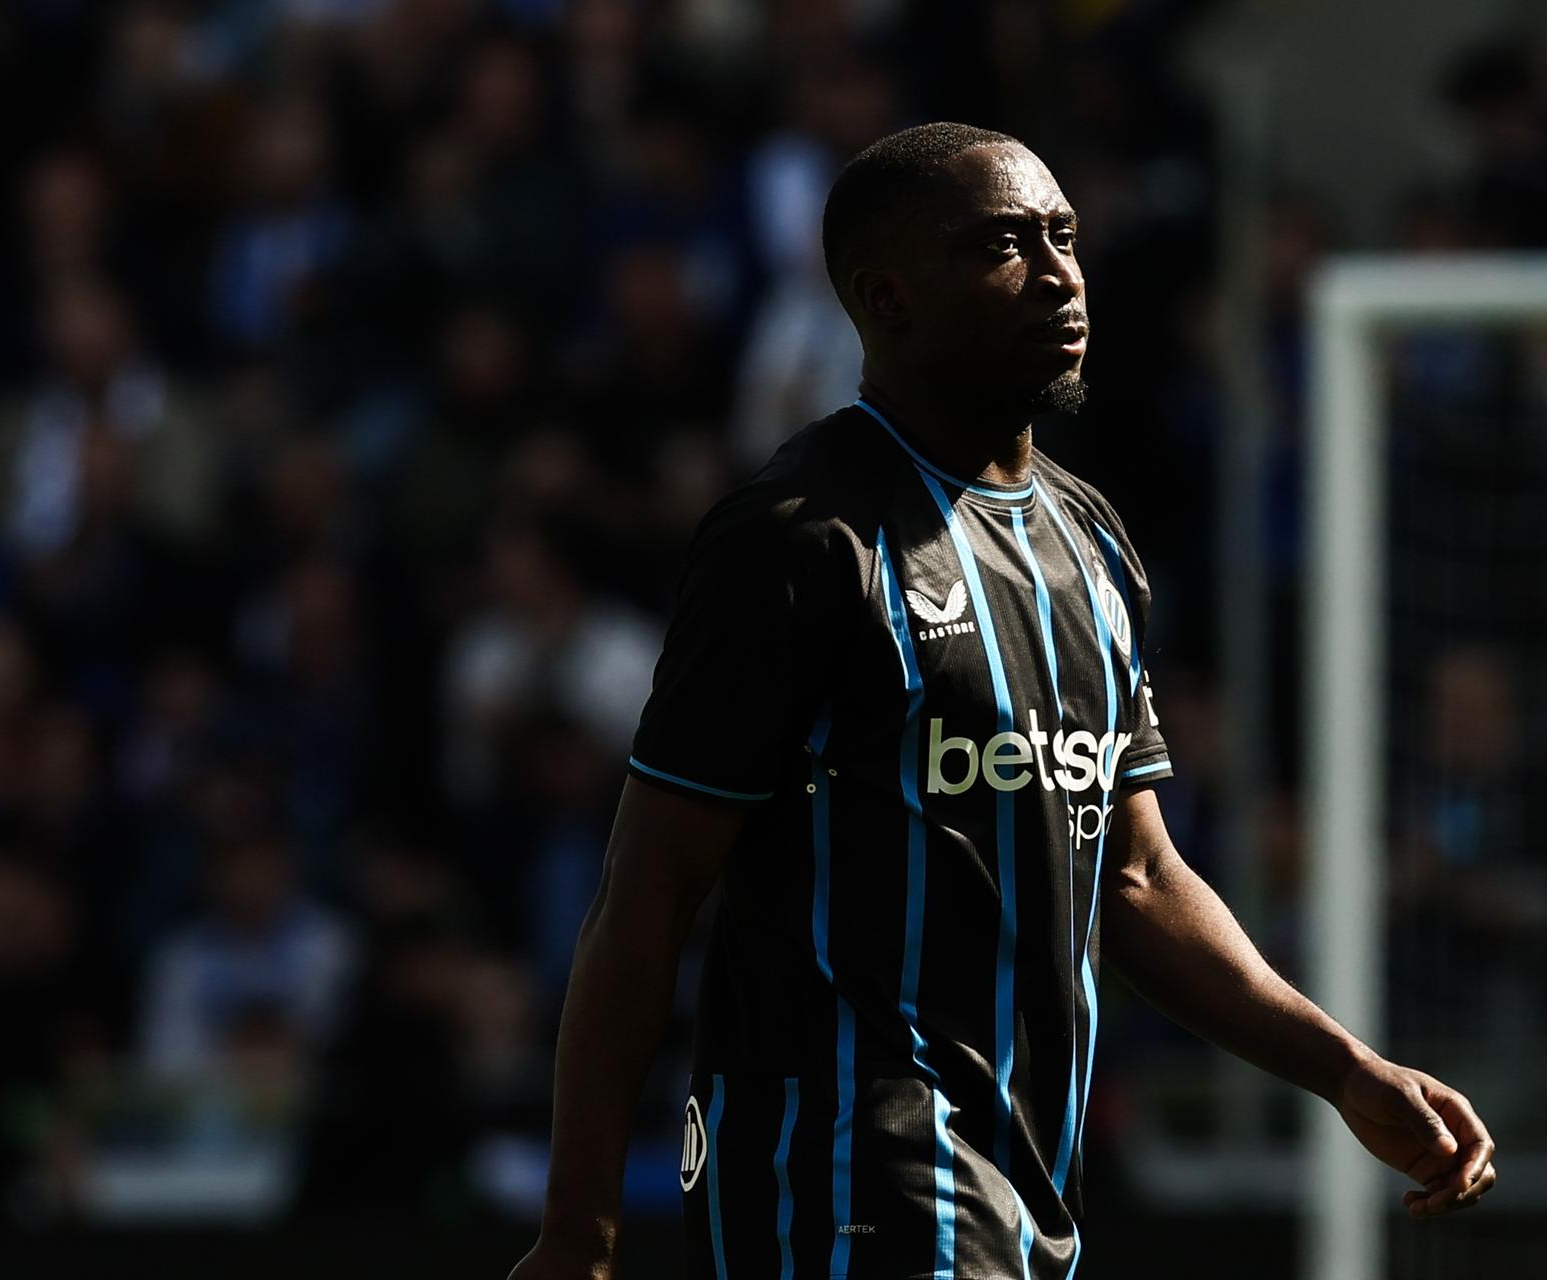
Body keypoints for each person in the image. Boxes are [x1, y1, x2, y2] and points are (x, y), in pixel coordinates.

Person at [511, 122, 1496, 1280]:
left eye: (1064, 236)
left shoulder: (1091, 542)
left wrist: (1341, 1065)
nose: (1059, 271)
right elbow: (647, 890)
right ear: (888, 298)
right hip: (843, 1175)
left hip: (1031, 1184)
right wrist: (579, 1227)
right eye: (1003, 245)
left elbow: (1135, 875)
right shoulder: (800, 542)